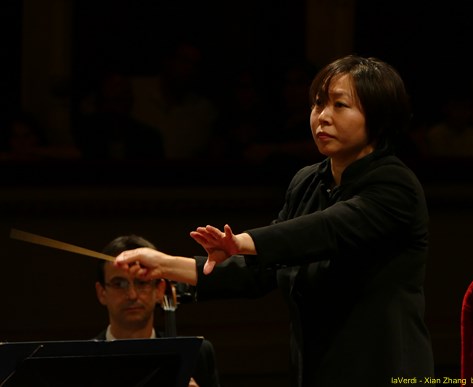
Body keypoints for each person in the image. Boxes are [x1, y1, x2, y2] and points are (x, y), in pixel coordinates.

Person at [115, 55, 435, 386]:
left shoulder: (395, 184)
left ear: (378, 116)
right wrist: (163, 265)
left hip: (382, 368)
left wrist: (241, 242)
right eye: (318, 104)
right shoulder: (306, 183)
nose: (322, 117)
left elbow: (325, 229)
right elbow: (259, 272)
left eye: (339, 105)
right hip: (315, 370)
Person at [95, 235, 220, 387]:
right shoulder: (81, 357)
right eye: (119, 283)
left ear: (160, 290)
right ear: (102, 292)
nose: (132, 295)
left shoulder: (197, 354)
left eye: (142, 282)